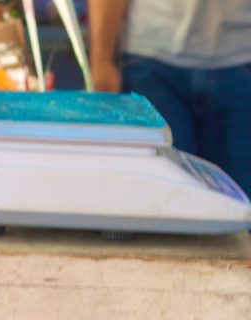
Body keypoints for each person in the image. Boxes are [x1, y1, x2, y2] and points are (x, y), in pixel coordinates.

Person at [88, 0, 251, 197]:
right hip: (151, 58)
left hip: (240, 55)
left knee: (242, 209)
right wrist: (101, 60)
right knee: (155, 202)